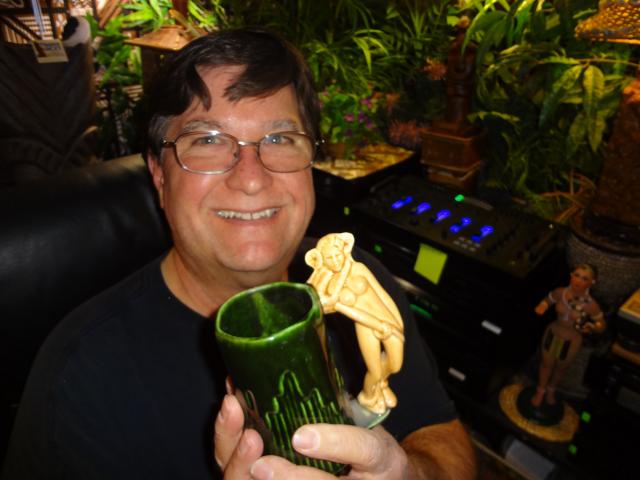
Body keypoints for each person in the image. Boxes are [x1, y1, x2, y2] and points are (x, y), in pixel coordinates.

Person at [2, 28, 476, 479]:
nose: (251, 178)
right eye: (208, 141)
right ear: (159, 176)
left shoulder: (355, 280)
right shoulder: (79, 376)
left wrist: (409, 472)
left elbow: (441, 436)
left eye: (280, 139)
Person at [531, 264, 605, 407]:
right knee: (546, 364)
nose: (578, 281)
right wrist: (543, 306)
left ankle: (551, 390)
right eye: (576, 275)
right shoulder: (561, 292)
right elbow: (548, 300)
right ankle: (540, 391)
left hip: (571, 340)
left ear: (592, 282)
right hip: (553, 332)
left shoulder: (591, 304)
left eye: (584, 278)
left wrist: (591, 327)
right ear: (571, 275)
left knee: (560, 368)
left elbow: (601, 324)